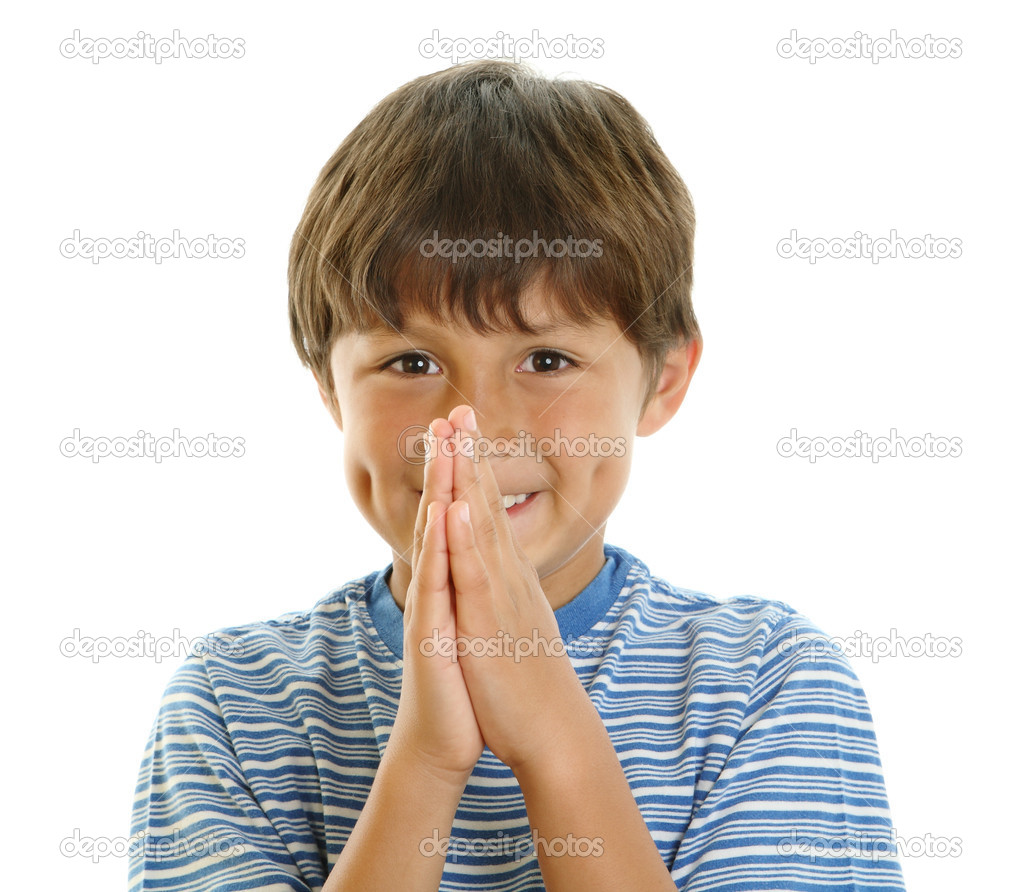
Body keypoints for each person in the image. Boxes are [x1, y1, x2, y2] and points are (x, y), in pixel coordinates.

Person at [130, 59, 905, 891]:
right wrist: (426, 762)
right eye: (410, 359)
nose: (476, 428)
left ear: (664, 380)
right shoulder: (234, 705)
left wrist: (553, 741)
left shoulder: (767, 682)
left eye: (546, 358)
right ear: (329, 389)